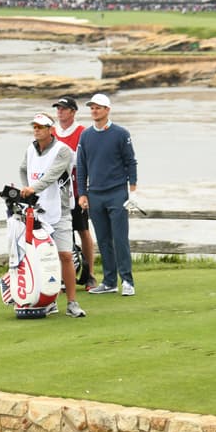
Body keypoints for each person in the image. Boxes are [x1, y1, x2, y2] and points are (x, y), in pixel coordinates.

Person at [19, 112, 86, 317]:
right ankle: (49, 300)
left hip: (60, 209)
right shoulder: (31, 149)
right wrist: (25, 189)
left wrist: (32, 189)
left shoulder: (63, 151)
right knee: (41, 258)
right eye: (35, 127)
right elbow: (23, 169)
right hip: (37, 211)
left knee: (65, 255)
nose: (36, 130)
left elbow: (51, 176)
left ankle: (72, 303)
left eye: (40, 127)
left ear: (50, 129)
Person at [75, 93, 138, 296]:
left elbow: (131, 162)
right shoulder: (86, 135)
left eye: (98, 107)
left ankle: (127, 280)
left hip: (117, 192)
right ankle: (109, 281)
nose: (94, 111)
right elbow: (82, 166)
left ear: (107, 110)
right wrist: (82, 194)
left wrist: (133, 192)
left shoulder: (121, 133)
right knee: (103, 240)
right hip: (95, 195)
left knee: (120, 239)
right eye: (92, 108)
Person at [52, 94, 96, 289]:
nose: (59, 111)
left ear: (72, 111)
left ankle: (90, 274)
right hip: (55, 194)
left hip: (76, 191)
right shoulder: (51, 131)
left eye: (63, 108)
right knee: (59, 233)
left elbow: (85, 159)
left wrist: (66, 158)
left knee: (83, 230)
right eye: (58, 108)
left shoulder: (81, 132)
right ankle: (63, 277)